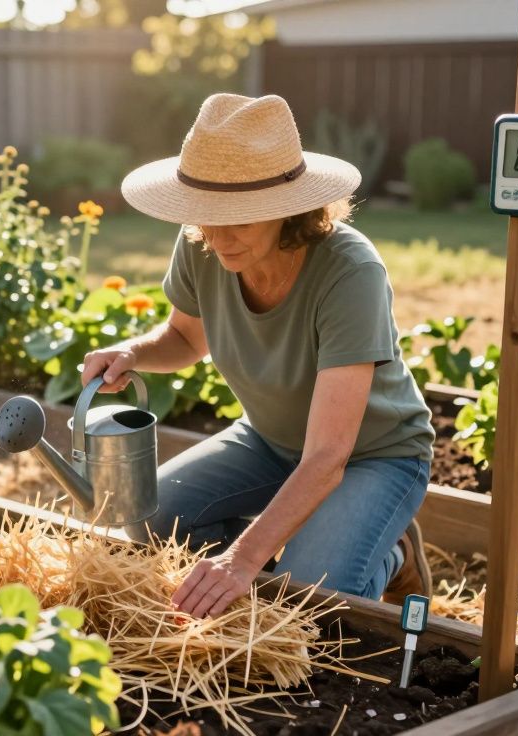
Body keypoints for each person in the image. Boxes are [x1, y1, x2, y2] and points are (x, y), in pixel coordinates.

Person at [82, 93, 435, 619]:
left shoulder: (350, 273)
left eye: (239, 218)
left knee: (311, 597)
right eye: (206, 215)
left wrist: (243, 559)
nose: (218, 237)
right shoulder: (203, 243)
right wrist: (132, 352)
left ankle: (395, 551)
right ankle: (296, 543)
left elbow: (328, 456)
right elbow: (184, 340)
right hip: (270, 442)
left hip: (373, 457)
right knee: (153, 519)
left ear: (288, 210)